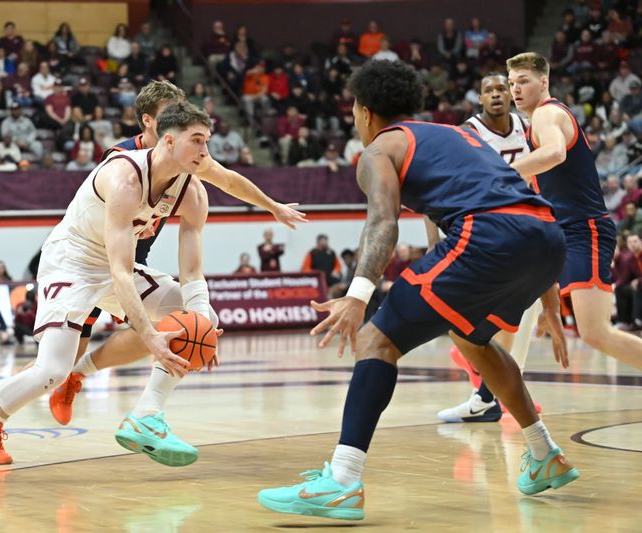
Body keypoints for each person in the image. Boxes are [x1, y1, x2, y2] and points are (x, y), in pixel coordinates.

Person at [258, 60, 578, 521]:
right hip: (547, 238)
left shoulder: (378, 150)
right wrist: (549, 298)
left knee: (375, 339)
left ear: (364, 111)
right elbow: (515, 199)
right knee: (473, 339)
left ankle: (343, 481)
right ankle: (544, 453)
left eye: (353, 109)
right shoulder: (456, 134)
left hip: (489, 235)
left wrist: (358, 294)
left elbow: (383, 222)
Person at [0, 85, 306, 466]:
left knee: (180, 326)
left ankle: (116, 396)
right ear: (153, 125)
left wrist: (272, 206)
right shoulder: (123, 162)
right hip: (89, 259)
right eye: (170, 117)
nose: (179, 124)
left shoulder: (189, 165)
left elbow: (227, 178)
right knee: (54, 362)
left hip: (132, 257)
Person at [508, 52, 642, 370]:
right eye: (512, 82)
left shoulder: (546, 114)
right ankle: (489, 387)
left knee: (595, 333)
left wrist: (503, 171)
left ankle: (488, 384)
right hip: (562, 232)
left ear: (544, 82)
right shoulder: (537, 122)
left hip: (584, 229)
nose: (515, 89)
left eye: (523, 81)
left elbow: (554, 152)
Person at [437, 72, 542, 422]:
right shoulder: (467, 133)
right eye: (488, 90)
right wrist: (432, 241)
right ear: (479, 99)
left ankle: (489, 395)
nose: (496, 94)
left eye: (502, 88)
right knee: (484, 316)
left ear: (511, 94)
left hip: (528, 227)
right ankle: (484, 381)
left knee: (526, 313)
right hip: (484, 231)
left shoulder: (529, 127)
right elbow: (442, 185)